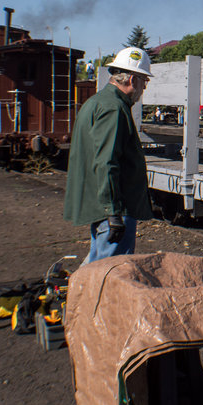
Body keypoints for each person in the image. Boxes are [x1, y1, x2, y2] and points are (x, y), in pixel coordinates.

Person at [64, 46, 155, 264]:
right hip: (115, 206)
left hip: (105, 204)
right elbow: (106, 161)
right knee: (110, 271)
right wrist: (113, 212)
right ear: (133, 80)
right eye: (145, 81)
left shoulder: (97, 102)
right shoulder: (114, 108)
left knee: (96, 265)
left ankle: (80, 296)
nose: (144, 88)